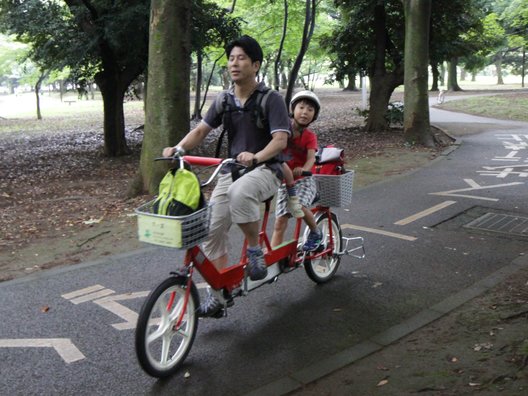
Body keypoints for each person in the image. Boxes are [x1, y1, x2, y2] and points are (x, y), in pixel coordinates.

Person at [162, 36, 290, 306]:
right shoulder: (225, 99)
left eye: (241, 58)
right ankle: (218, 294)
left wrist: (256, 157)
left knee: (240, 192)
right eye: (231, 58)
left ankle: (254, 250)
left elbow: (280, 140)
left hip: (267, 170)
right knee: (211, 229)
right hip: (232, 170)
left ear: (255, 65)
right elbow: (200, 130)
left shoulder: (271, 99)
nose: (234, 63)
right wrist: (179, 148)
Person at [270, 90, 322, 251]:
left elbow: (311, 158)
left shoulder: (310, 136)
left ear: (314, 116)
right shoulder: (283, 130)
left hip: (304, 181)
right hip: (285, 182)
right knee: (280, 221)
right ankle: (273, 256)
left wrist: (304, 170)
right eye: (301, 107)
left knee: (297, 205)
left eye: (310, 110)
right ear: (293, 109)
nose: (305, 112)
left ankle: (315, 233)